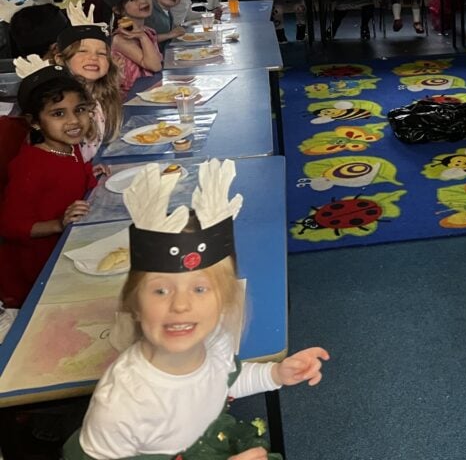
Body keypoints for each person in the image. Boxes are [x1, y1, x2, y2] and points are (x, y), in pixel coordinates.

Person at [64, 160, 329, 460]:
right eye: (161, 290)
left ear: (225, 301)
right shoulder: (123, 405)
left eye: (200, 289)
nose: (180, 305)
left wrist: (274, 374)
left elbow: (220, 382)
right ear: (135, 305)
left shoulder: (211, 342)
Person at [0, 58, 96, 307]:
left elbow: (76, 177)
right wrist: (58, 224)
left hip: (71, 248)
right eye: (58, 113)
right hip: (40, 269)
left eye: (80, 109)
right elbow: (10, 226)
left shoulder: (68, 147)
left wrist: (93, 173)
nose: (74, 121)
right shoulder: (29, 166)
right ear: (34, 122)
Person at [49, 1, 122, 160]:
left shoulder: (100, 96)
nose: (93, 58)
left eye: (102, 54)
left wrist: (87, 171)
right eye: (82, 51)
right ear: (61, 60)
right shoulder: (58, 102)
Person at [102, 0, 162, 95]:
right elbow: (154, 66)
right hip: (130, 100)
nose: (143, 1)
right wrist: (143, 37)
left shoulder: (148, 31)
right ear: (119, 10)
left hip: (150, 91)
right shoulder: (120, 39)